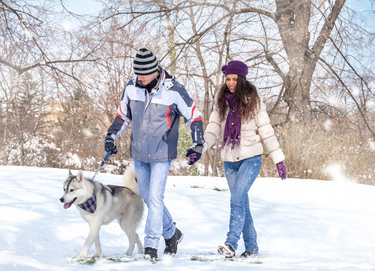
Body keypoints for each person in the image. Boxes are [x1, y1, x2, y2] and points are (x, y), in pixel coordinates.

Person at [104, 48, 204, 259]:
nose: (140, 77)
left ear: (155, 71)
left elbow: (194, 116)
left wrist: (198, 144)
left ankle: (151, 246)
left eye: (144, 73)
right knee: (149, 199)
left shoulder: (174, 90)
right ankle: (172, 234)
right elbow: (123, 115)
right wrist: (110, 137)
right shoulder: (131, 88)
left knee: (156, 199)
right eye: (137, 73)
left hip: (162, 153)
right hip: (140, 153)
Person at [202, 60, 286, 259]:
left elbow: (266, 131)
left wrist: (278, 158)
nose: (230, 82)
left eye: (234, 79)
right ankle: (252, 248)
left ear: (242, 79)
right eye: (228, 79)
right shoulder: (221, 100)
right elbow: (213, 129)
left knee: (237, 199)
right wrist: (200, 148)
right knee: (242, 204)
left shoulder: (253, 101)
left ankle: (231, 243)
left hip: (251, 158)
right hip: (230, 159)